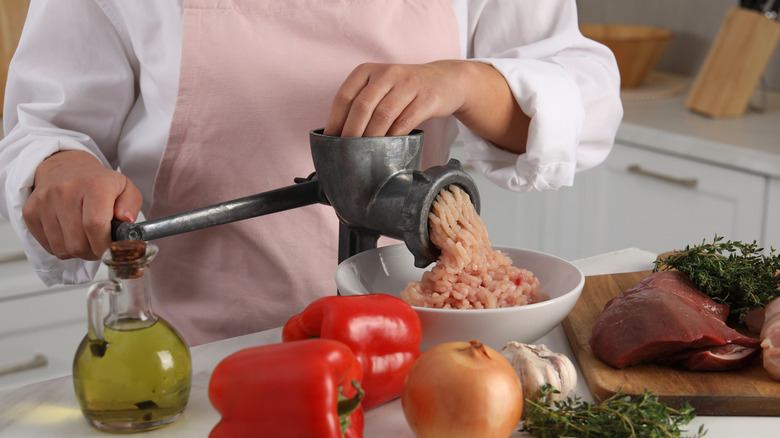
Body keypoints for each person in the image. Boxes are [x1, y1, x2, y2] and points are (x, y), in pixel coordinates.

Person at [0, 0, 622, 346]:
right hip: (200, 350)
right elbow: (45, 123)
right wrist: (63, 167)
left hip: (418, 347)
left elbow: (586, 97)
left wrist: (465, 81)